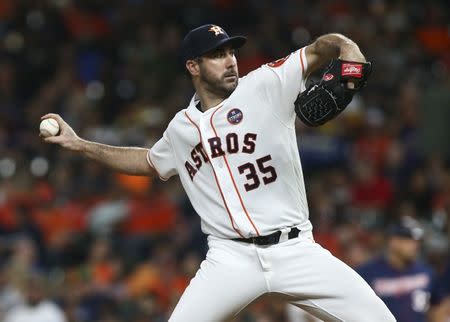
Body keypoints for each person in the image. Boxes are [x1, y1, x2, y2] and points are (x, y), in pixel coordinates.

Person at [41, 24, 395, 321]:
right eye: (217, 55)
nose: (230, 61)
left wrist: (348, 51)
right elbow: (149, 162)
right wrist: (81, 144)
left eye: (231, 52)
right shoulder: (181, 128)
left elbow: (322, 47)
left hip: (295, 249)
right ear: (193, 66)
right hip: (230, 258)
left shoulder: (266, 83)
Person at [356, 216, 434, 322]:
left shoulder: (426, 272)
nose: (415, 245)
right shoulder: (367, 273)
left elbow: (436, 307)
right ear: (393, 241)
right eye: (409, 240)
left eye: (417, 241)